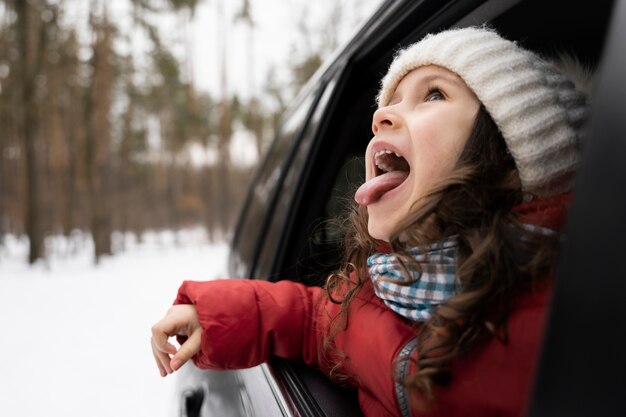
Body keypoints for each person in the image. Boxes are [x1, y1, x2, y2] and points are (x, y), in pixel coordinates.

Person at [151, 26, 590, 417]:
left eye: (433, 94)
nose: (380, 116)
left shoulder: (572, 325)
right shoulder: (378, 290)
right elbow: (314, 321)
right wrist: (215, 317)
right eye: (390, 102)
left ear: (511, 154)